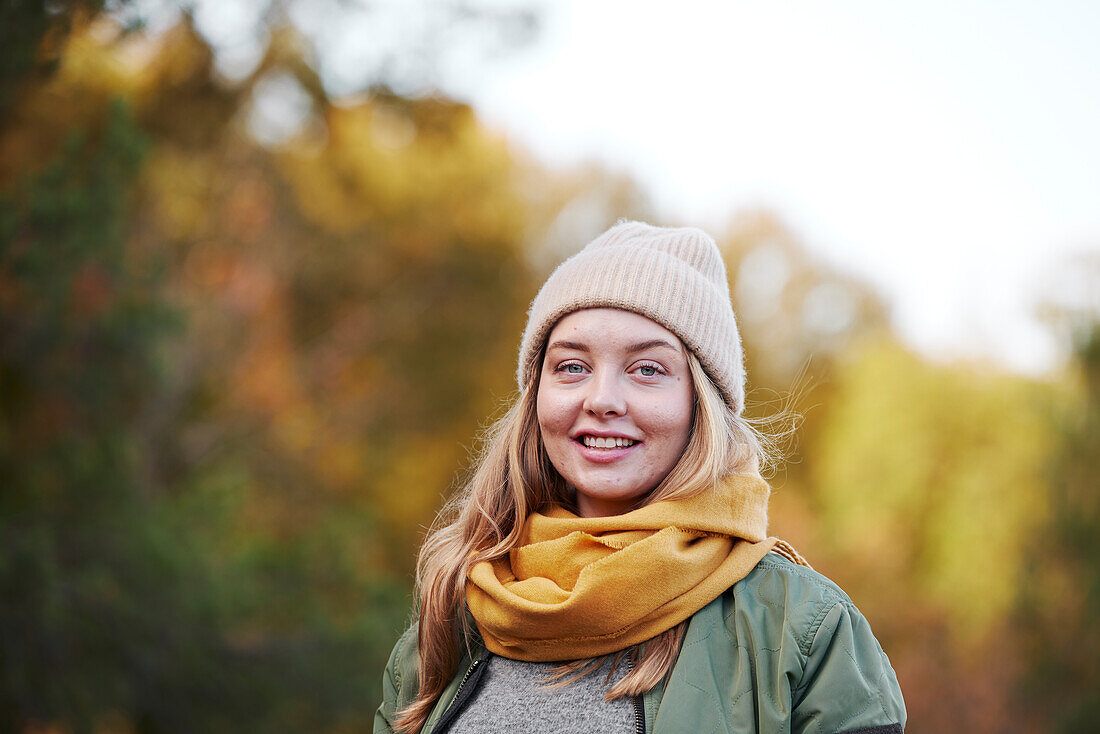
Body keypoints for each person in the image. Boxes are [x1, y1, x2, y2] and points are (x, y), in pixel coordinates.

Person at [374, 221, 906, 734]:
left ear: (702, 404)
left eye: (648, 369)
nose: (602, 399)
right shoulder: (456, 611)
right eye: (571, 366)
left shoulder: (804, 629)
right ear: (536, 395)